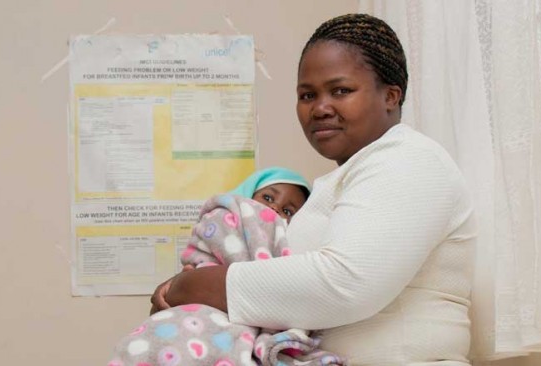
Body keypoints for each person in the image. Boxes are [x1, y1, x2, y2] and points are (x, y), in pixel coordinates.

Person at [152, 13, 476, 365]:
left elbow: (343, 284)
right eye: (307, 95)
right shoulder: (346, 177)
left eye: (341, 90)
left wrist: (191, 287)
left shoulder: (410, 159)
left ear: (391, 96)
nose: (320, 108)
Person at [110, 167, 348, 365]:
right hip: (199, 307)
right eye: (267, 198)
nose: (274, 209)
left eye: (287, 210)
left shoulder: (295, 245)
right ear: (247, 195)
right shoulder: (226, 216)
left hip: (249, 316)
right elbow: (205, 256)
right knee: (162, 339)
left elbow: (283, 276)